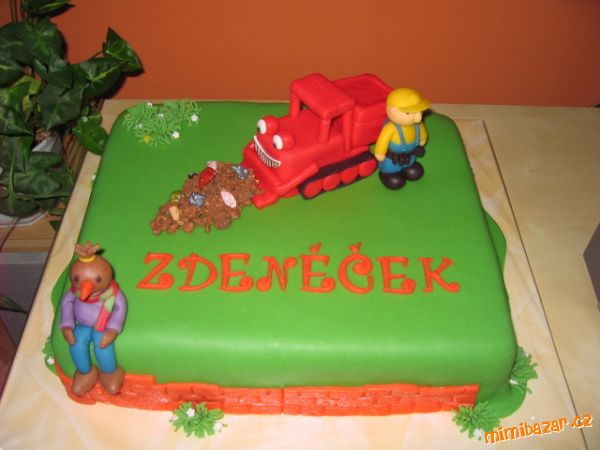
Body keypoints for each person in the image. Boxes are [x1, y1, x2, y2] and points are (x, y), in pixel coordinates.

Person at [373, 87, 430, 189]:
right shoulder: (390, 128)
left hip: (410, 156)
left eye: (420, 112)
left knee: (416, 173)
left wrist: (422, 141)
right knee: (396, 182)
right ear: (393, 111)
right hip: (393, 159)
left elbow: (423, 136)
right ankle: (387, 174)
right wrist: (380, 153)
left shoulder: (418, 125)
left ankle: (407, 168)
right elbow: (382, 141)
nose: (418, 118)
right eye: (409, 113)